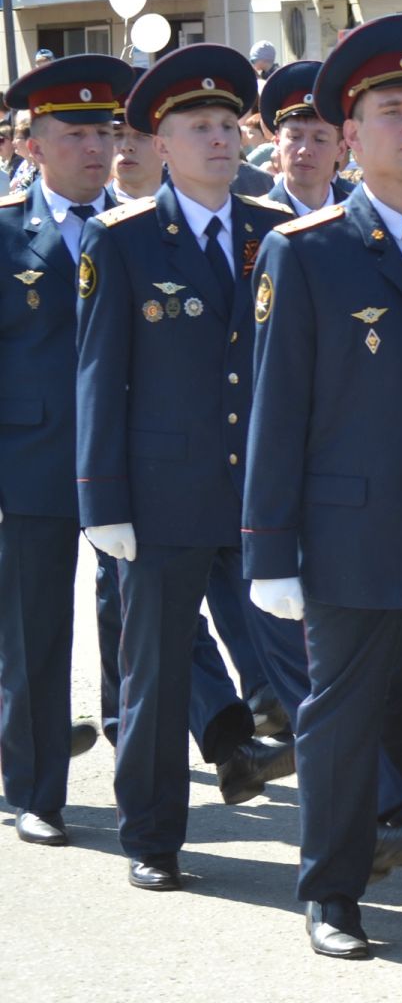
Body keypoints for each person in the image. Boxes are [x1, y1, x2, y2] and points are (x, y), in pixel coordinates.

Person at [245, 16, 402, 957]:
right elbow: (277, 406)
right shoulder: (306, 251)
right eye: (393, 111)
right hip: (353, 525)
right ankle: (332, 890)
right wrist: (271, 547)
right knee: (341, 715)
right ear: (352, 135)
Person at [74, 46, 298, 890]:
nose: (218, 139)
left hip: (260, 490)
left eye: (227, 125)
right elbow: (100, 372)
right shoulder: (122, 239)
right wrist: (103, 499)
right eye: (196, 127)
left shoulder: (274, 232)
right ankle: (154, 834)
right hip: (164, 495)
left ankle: (370, 817)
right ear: (159, 144)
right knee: (158, 677)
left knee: (307, 664)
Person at [0, 55, 135, 848]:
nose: (95, 147)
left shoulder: (142, 228)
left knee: (142, 630)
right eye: (76, 132)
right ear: (34, 144)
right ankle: (37, 790)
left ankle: (145, 789)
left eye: (105, 130)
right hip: (34, 461)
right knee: (35, 634)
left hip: (130, 460)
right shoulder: (8, 229)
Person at [260, 62, 353, 215]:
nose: (305, 150)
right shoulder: (255, 219)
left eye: (320, 139)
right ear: (277, 142)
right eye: (294, 137)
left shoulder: (359, 219)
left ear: (341, 150)